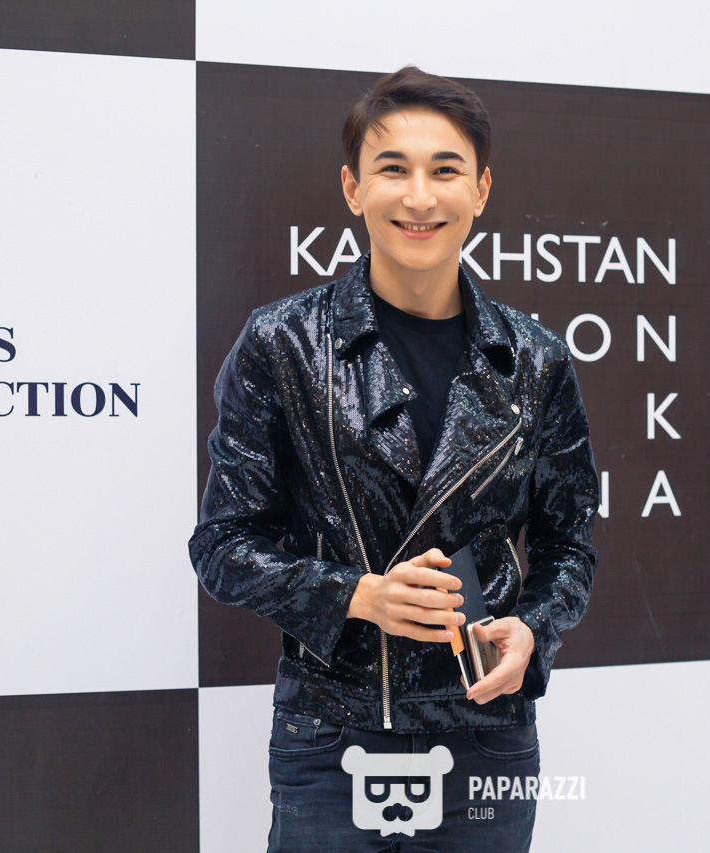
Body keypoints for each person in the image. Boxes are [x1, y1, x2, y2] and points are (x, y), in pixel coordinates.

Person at [189, 65, 598, 852]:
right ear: (353, 189)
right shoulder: (284, 344)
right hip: (329, 737)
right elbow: (222, 545)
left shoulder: (537, 360)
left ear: (480, 189)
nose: (419, 197)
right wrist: (358, 595)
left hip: (487, 734)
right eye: (392, 169)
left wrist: (534, 629)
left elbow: (569, 543)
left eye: (444, 170)